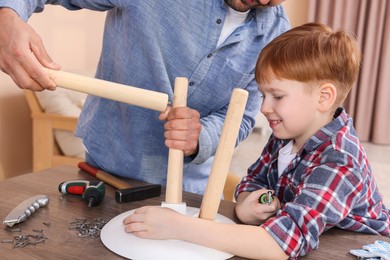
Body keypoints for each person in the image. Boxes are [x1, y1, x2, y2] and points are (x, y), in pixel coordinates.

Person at [122, 23, 390, 259]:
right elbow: (253, 181)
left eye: (277, 96)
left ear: (324, 97)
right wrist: (248, 203)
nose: (263, 108)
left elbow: (281, 244)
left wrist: (178, 226)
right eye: (263, 95)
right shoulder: (286, 133)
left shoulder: (340, 159)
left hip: (358, 248)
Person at [0, 0, 290, 194]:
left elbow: (241, 117)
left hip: (190, 190)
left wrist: (202, 135)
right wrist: (6, 15)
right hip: (107, 170)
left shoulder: (277, 33)